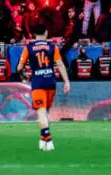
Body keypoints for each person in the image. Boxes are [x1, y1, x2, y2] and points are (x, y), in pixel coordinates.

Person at [17, 23, 71, 151]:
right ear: (46, 32)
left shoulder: (28, 48)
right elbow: (60, 64)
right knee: (46, 112)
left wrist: (23, 76)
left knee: (40, 112)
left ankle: (48, 139)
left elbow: (19, 67)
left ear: (34, 34)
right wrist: (66, 81)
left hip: (38, 82)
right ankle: (42, 139)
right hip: (51, 82)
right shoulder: (53, 46)